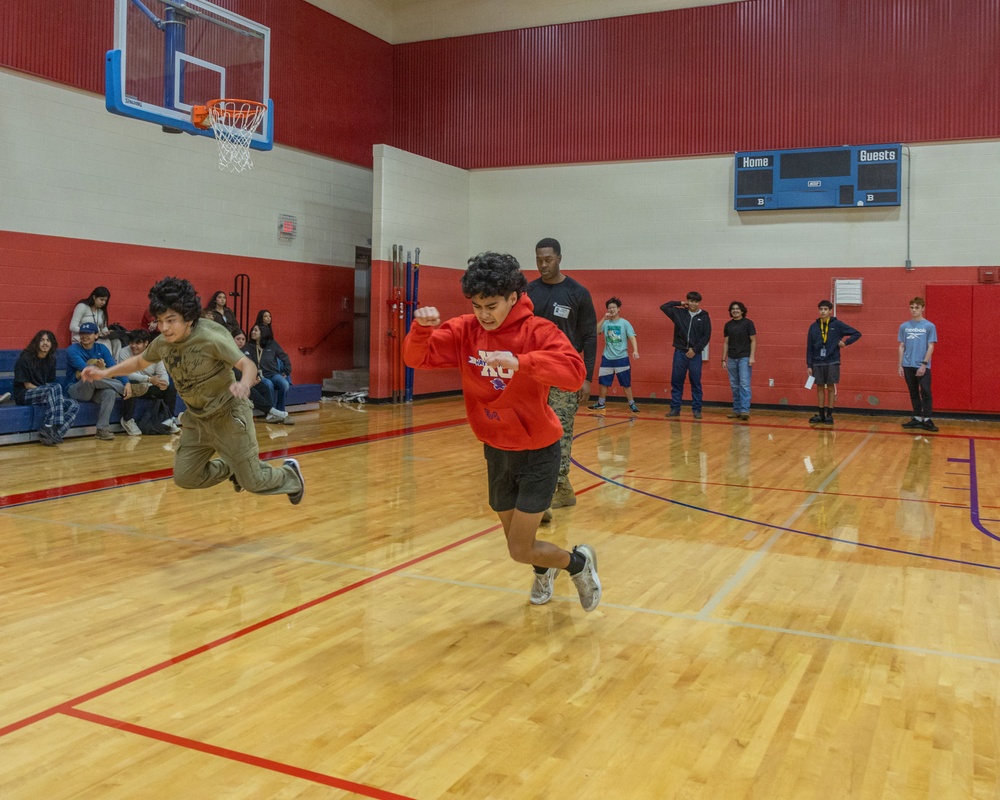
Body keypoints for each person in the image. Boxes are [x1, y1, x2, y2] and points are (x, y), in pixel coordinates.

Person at [404, 252, 601, 612]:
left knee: (518, 549)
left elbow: (573, 373)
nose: (484, 314)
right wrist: (421, 330)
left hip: (538, 452)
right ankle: (545, 570)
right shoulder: (466, 329)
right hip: (496, 449)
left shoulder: (538, 331)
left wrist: (523, 363)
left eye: (491, 305)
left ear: (513, 297)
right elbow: (417, 358)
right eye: (477, 305)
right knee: (519, 541)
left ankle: (579, 563)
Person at [81, 276, 304, 503]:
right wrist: (105, 373)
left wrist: (244, 384)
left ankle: (289, 475)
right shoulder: (163, 342)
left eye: (171, 320)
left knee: (254, 481)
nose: (164, 328)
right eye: (160, 321)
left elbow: (247, 365)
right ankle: (233, 466)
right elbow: (139, 362)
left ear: (188, 317)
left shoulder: (210, 337)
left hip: (228, 415)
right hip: (198, 419)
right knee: (186, 477)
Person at [526, 237, 597, 509]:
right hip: (532, 372)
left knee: (560, 430)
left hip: (564, 373)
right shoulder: (528, 292)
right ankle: (536, 486)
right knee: (532, 429)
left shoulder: (578, 293)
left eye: (548, 260)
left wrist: (588, 378)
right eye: (539, 260)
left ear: (559, 258)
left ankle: (561, 486)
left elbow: (590, 337)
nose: (543, 265)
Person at [13, 330, 79, 446]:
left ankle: (55, 434)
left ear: (52, 344)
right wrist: (50, 393)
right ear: (36, 343)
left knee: (73, 404)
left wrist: (53, 395)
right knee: (55, 388)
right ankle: (48, 426)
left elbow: (50, 384)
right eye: (42, 340)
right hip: (25, 394)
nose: (45, 343)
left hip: (46, 394)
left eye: (48, 340)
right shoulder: (25, 359)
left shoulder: (51, 360)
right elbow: (27, 385)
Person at [67, 321, 129, 440]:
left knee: (109, 393)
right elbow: (87, 370)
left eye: (88, 333)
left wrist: (127, 382)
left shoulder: (102, 348)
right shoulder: (72, 350)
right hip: (76, 389)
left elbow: (113, 368)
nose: (84, 336)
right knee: (91, 377)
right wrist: (98, 366)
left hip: (95, 391)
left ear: (96, 335)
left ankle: (102, 429)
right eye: (82, 333)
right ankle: (122, 388)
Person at [806, 300, 862, 425]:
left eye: (826, 309)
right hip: (817, 361)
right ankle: (821, 414)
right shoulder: (814, 327)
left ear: (830, 311)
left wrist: (845, 343)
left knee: (830, 387)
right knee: (820, 387)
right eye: (821, 309)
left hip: (832, 360)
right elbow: (809, 347)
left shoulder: (837, 325)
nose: (823, 311)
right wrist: (809, 365)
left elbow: (857, 333)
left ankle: (829, 415)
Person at [116, 329, 180, 435]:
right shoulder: (124, 352)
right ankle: (127, 420)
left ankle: (169, 420)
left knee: (170, 388)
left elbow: (162, 372)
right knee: (132, 383)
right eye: (131, 342)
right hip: (131, 386)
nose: (133, 346)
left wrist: (164, 383)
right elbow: (125, 373)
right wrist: (149, 379)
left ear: (146, 343)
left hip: (149, 387)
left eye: (138, 343)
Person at [660, 292, 712, 419]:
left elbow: (706, 336)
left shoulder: (704, 316)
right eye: (690, 301)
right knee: (676, 381)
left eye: (696, 301)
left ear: (699, 303)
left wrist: (695, 350)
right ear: (687, 301)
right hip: (680, 352)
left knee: (695, 382)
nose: (693, 304)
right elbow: (664, 307)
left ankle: (697, 410)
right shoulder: (679, 313)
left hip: (695, 355)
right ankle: (675, 408)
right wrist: (679, 303)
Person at [588, 297, 640, 414]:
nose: (611, 310)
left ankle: (632, 404)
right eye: (609, 308)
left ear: (619, 309)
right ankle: (601, 403)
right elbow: (595, 331)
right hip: (607, 358)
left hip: (622, 358)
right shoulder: (606, 323)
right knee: (603, 382)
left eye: (614, 307)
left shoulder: (625, 323)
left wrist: (635, 350)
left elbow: (632, 337)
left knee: (626, 383)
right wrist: (603, 319)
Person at [898, 296, 938, 432]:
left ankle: (927, 419)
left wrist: (924, 364)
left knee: (925, 391)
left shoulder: (929, 326)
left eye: (916, 308)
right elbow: (902, 346)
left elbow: (931, 346)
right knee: (913, 392)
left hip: (922, 364)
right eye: (912, 308)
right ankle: (916, 417)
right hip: (907, 364)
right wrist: (900, 365)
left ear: (922, 308)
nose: (914, 310)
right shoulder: (904, 326)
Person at [233, 329, 289, 424]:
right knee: (251, 390)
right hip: (236, 382)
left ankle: (270, 415)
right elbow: (234, 372)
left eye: (243, 339)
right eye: (238, 339)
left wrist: (257, 376)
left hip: (249, 380)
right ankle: (272, 411)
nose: (241, 341)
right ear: (232, 339)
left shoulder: (246, 350)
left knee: (265, 387)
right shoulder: (229, 352)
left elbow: (252, 365)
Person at [247, 324, 295, 425]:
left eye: (256, 330)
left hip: (273, 373)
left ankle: (280, 410)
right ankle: (272, 413)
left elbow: (284, 357)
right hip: (260, 376)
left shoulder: (272, 344)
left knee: (284, 384)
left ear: (262, 333)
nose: (252, 332)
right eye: (252, 330)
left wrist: (287, 371)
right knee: (268, 384)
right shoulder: (249, 346)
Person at [721, 300, 757, 420]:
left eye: (737, 309)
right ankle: (736, 410)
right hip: (731, 358)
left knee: (744, 384)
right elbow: (726, 343)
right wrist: (723, 359)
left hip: (744, 358)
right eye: (733, 309)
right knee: (734, 385)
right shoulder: (728, 325)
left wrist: (751, 356)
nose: (735, 311)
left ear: (742, 311)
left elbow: (753, 341)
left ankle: (745, 411)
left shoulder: (748, 323)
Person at [70, 286, 128, 355]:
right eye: (101, 299)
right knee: (106, 342)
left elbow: (103, 327)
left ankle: (115, 363)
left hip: (97, 337)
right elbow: (72, 327)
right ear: (94, 297)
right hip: (82, 337)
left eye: (105, 301)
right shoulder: (82, 306)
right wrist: (90, 332)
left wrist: (107, 333)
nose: (103, 303)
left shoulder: (101, 311)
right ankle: (106, 363)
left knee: (116, 342)